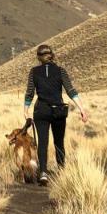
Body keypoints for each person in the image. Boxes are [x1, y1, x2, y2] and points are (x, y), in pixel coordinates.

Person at [22, 43, 88, 185]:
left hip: (41, 110)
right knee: (59, 141)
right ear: (52, 55)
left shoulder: (33, 72)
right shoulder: (60, 71)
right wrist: (82, 109)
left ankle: (43, 173)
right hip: (58, 110)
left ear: (38, 57)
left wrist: (25, 111)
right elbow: (71, 91)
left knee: (43, 142)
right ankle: (61, 170)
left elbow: (29, 93)